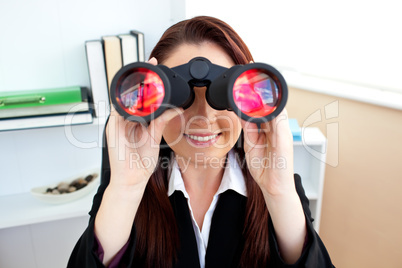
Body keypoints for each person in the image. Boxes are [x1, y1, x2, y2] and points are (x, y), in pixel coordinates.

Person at [68, 16, 334, 268]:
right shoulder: (123, 186)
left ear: (248, 100)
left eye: (222, 96)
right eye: (180, 97)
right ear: (154, 103)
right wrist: (126, 191)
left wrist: (279, 193)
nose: (202, 118)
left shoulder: (279, 184)